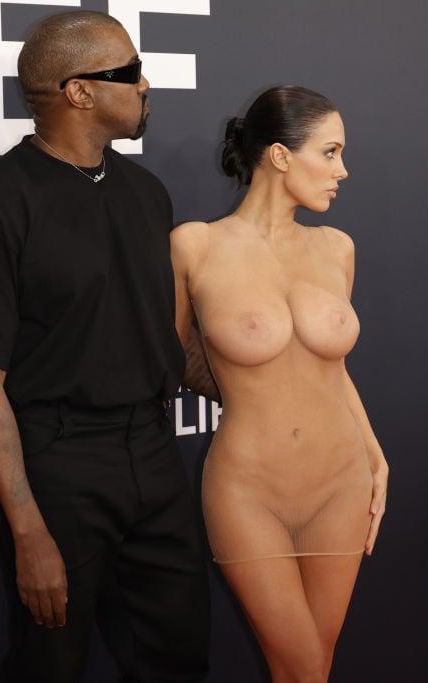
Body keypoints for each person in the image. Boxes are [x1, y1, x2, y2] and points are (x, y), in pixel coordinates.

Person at [0, 10, 211, 683]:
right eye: (130, 74)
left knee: (178, 658)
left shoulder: (148, 194)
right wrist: (28, 530)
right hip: (56, 463)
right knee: (49, 665)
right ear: (78, 91)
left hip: (152, 448)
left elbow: (170, 341)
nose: (146, 86)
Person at [170, 85, 389, 682]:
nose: (343, 171)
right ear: (280, 155)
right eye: (331, 152)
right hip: (250, 490)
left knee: (313, 669)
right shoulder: (195, 245)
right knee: (300, 667)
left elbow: (332, 371)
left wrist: (375, 455)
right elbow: (169, 359)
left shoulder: (337, 248)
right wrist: (244, 384)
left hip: (341, 483)